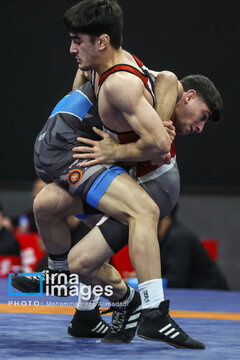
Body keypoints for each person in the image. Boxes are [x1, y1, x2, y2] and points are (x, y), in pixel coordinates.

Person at [12, 0, 222, 348]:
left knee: (136, 217)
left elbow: (156, 138)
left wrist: (114, 150)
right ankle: (76, 294)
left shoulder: (122, 83)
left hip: (156, 182)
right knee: (46, 205)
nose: (71, 48)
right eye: (201, 117)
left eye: (77, 40)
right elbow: (168, 79)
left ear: (102, 42)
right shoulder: (111, 69)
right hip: (127, 169)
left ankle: (152, 311)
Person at [158, 205, 229, 290]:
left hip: (214, 295)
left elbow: (177, 280)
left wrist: (146, 280)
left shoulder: (179, 237)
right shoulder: (162, 238)